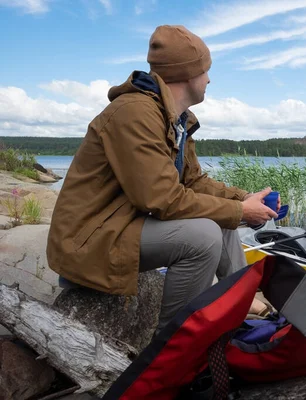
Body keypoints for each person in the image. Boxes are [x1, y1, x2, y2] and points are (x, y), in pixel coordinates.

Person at [46, 24, 278, 334]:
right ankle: (172, 344)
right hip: (90, 238)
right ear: (186, 74)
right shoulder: (134, 113)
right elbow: (160, 199)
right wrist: (239, 213)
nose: (209, 78)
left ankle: (241, 301)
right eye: (205, 70)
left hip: (123, 223)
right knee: (203, 237)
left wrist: (241, 199)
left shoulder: (175, 119)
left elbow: (193, 182)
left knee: (220, 221)